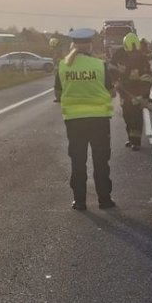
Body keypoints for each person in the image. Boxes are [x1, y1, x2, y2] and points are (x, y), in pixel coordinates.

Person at [54, 28, 116, 210]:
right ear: (90, 45)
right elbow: (111, 92)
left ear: (73, 45)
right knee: (100, 161)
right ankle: (104, 200)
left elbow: (58, 93)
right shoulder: (100, 65)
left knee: (78, 161)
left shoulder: (63, 65)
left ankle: (79, 201)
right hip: (99, 120)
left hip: (74, 121)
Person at [111, 33, 152, 151]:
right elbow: (111, 69)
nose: (132, 53)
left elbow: (147, 79)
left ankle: (136, 142)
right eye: (130, 51)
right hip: (124, 91)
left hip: (138, 90)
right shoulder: (119, 55)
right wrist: (115, 81)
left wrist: (144, 97)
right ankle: (130, 137)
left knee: (136, 116)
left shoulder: (142, 59)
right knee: (127, 115)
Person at [49, 37, 63, 103]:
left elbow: (60, 60)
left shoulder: (58, 51)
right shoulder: (57, 51)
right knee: (59, 84)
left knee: (58, 84)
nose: (51, 48)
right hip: (58, 69)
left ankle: (59, 97)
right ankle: (59, 97)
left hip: (60, 69)